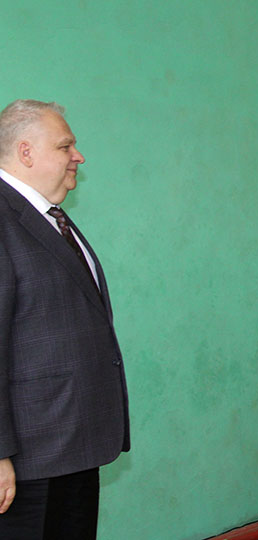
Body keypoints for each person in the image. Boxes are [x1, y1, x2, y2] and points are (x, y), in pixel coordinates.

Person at [0, 100, 129, 539]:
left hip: (74, 445)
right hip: (27, 459)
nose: (79, 156)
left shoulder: (50, 217)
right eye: (65, 146)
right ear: (26, 152)